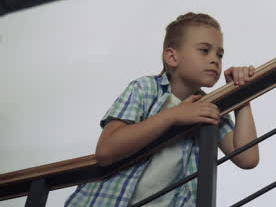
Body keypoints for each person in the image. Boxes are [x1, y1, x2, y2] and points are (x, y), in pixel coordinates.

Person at [65, 12, 260, 207]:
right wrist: (173, 116)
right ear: (172, 57)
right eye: (204, 50)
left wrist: (241, 95)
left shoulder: (209, 107)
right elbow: (106, 150)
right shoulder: (145, 89)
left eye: (220, 54)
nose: (215, 60)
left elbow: (247, 158)